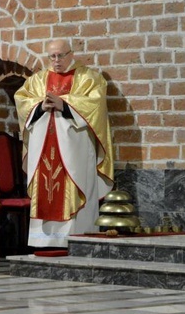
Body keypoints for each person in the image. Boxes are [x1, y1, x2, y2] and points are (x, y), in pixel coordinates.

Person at [14, 38, 114, 248]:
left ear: (71, 54)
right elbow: (22, 100)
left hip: (74, 151)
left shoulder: (89, 78)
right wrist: (40, 107)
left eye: (61, 55)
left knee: (74, 192)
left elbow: (95, 105)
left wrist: (65, 104)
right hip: (43, 149)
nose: (57, 60)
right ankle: (45, 243)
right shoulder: (38, 80)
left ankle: (76, 242)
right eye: (52, 56)